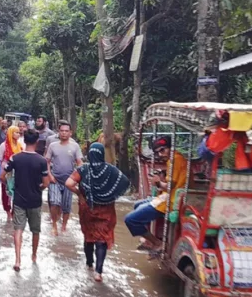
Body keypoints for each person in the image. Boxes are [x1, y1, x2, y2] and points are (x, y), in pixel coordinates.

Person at [66, 143, 131, 282]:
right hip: (106, 210)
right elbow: (125, 182)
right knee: (101, 239)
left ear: (90, 154)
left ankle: (89, 263)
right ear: (102, 154)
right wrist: (111, 194)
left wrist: (80, 194)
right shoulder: (111, 170)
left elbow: (68, 183)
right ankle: (98, 272)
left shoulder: (83, 169)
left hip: (87, 209)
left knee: (89, 236)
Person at [124, 136, 187, 251]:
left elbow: (169, 186)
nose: (161, 154)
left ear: (169, 148)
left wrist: (158, 183)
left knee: (130, 219)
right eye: (158, 152)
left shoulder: (175, 160)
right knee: (137, 204)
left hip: (171, 200)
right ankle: (149, 239)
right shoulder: (174, 159)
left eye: (163, 150)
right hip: (168, 196)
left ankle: (157, 243)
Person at [2, 129, 49, 272]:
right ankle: (34, 256)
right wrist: (39, 189)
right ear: (36, 142)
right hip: (35, 200)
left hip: (19, 200)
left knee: (18, 229)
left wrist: (10, 187)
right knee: (35, 230)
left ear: (24, 140)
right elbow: (46, 183)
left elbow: (2, 176)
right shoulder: (41, 160)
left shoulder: (15, 158)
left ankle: (17, 260)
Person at [45, 121, 83, 235]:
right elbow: (46, 162)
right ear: (58, 132)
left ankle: (64, 226)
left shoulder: (75, 146)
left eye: (66, 131)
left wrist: (77, 178)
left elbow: (79, 162)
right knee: (54, 202)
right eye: (62, 131)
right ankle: (54, 225)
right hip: (55, 179)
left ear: (70, 133)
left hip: (69, 181)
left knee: (66, 206)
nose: (64, 133)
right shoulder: (53, 146)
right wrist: (49, 175)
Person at [0, 126, 21, 221]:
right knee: (6, 193)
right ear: (10, 133)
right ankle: (8, 213)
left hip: (17, 173)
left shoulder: (20, 145)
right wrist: (0, 174)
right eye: (16, 132)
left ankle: (14, 212)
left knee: (17, 193)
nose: (18, 134)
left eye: (19, 132)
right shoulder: (3, 145)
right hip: (6, 173)